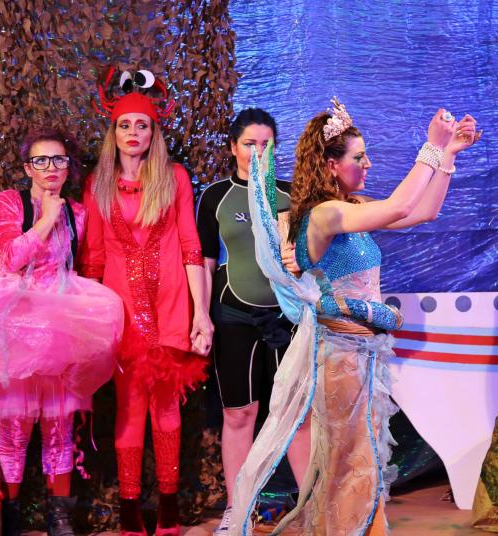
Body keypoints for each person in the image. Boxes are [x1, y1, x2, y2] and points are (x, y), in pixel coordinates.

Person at [227, 98, 480, 535]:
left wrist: (449, 154)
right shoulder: (326, 214)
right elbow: (399, 206)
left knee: (361, 462)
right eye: (359, 157)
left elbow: (423, 211)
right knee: (352, 463)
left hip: (364, 355)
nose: (368, 164)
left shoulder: (351, 205)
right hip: (340, 358)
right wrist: (431, 146)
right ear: (331, 164)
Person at [0, 127, 123, 536]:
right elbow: (10, 258)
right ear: (27, 168)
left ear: (68, 167)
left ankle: (59, 517)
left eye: (59, 159)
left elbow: (78, 265)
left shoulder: (79, 212)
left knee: (60, 430)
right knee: (15, 430)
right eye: (41, 160)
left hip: (61, 330)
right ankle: (10, 516)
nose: (51, 167)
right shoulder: (10, 203)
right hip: (18, 330)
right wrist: (45, 219)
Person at [80, 68, 213, 536]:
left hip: (171, 307)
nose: (133, 133)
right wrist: (91, 323)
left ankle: (169, 507)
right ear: (113, 132)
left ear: (154, 132)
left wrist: (202, 314)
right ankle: (130, 509)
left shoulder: (174, 178)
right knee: (130, 408)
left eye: (142, 125)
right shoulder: (98, 184)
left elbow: (191, 247)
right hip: (121, 315)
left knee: (167, 407)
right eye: (125, 125)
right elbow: (93, 260)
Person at [195, 108, 310, 535]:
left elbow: (310, 257)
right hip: (233, 315)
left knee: (297, 414)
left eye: (266, 144)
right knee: (240, 413)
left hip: (286, 316)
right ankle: (237, 508)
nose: (258, 151)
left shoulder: (292, 195)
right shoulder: (215, 197)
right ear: (233, 147)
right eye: (249, 143)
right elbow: (204, 262)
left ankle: (309, 507)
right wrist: (200, 316)